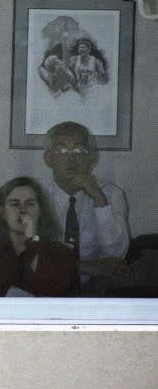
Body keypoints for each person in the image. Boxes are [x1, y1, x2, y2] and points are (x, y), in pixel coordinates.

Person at [42, 121, 130, 294]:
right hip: (47, 283)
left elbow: (116, 254)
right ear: (48, 159)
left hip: (94, 285)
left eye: (79, 150)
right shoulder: (36, 198)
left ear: (92, 157)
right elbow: (29, 257)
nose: (71, 158)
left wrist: (99, 200)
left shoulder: (111, 194)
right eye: (61, 150)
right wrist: (80, 267)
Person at [0, 177, 77, 297]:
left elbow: (51, 294)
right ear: (2, 212)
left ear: (41, 211)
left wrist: (33, 240)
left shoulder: (61, 253)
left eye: (30, 204)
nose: (23, 210)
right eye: (15, 204)